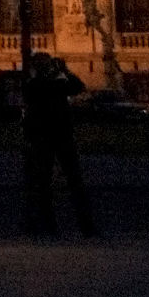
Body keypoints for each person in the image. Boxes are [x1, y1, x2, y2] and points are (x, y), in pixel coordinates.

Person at [20, 51, 97, 238]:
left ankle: (51, 224)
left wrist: (62, 72)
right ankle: (79, 224)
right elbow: (75, 86)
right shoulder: (46, 85)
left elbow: (77, 87)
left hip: (49, 137)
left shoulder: (36, 84)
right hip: (53, 137)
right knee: (64, 181)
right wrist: (63, 71)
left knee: (48, 182)